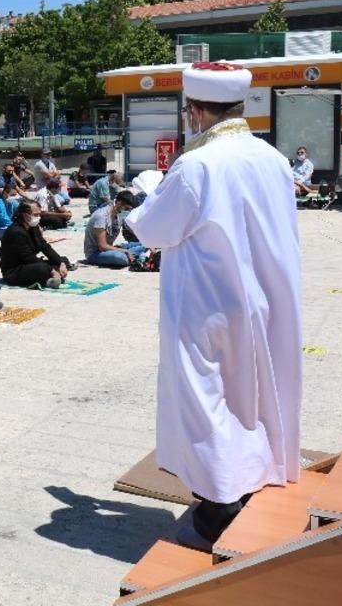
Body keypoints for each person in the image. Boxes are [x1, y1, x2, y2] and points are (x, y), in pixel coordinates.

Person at [125, 60, 303, 551]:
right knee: (255, 393)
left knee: (206, 400)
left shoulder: (199, 163)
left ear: (198, 111)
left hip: (207, 304)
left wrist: (136, 207)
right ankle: (253, 474)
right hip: (262, 297)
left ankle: (220, 505)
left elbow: (155, 227)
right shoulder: (270, 156)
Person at [0, 202, 69, 288]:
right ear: (25, 215)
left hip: (29, 264)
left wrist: (61, 263)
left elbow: (45, 247)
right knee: (42, 269)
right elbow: (28, 257)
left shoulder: (33, 228)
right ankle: (48, 280)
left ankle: (51, 276)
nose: (38, 217)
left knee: (62, 260)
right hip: (15, 271)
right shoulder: (16, 232)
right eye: (35, 215)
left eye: (39, 215)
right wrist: (51, 270)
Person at [83, 190, 142, 268]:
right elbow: (102, 245)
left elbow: (133, 230)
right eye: (127, 208)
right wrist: (125, 251)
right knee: (121, 258)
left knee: (144, 245)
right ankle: (132, 256)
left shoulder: (119, 215)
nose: (127, 211)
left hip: (109, 248)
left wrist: (149, 244)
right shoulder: (101, 216)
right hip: (96, 253)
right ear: (119, 203)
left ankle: (132, 255)